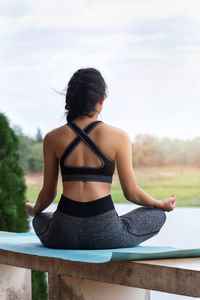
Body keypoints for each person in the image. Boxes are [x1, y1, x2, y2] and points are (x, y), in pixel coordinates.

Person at [25, 67, 177, 249]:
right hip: (106, 234)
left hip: (63, 235)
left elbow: (48, 194)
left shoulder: (52, 138)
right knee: (158, 214)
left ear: (70, 99)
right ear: (101, 99)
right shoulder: (119, 137)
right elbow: (132, 193)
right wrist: (160, 204)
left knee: (41, 217)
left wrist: (34, 210)